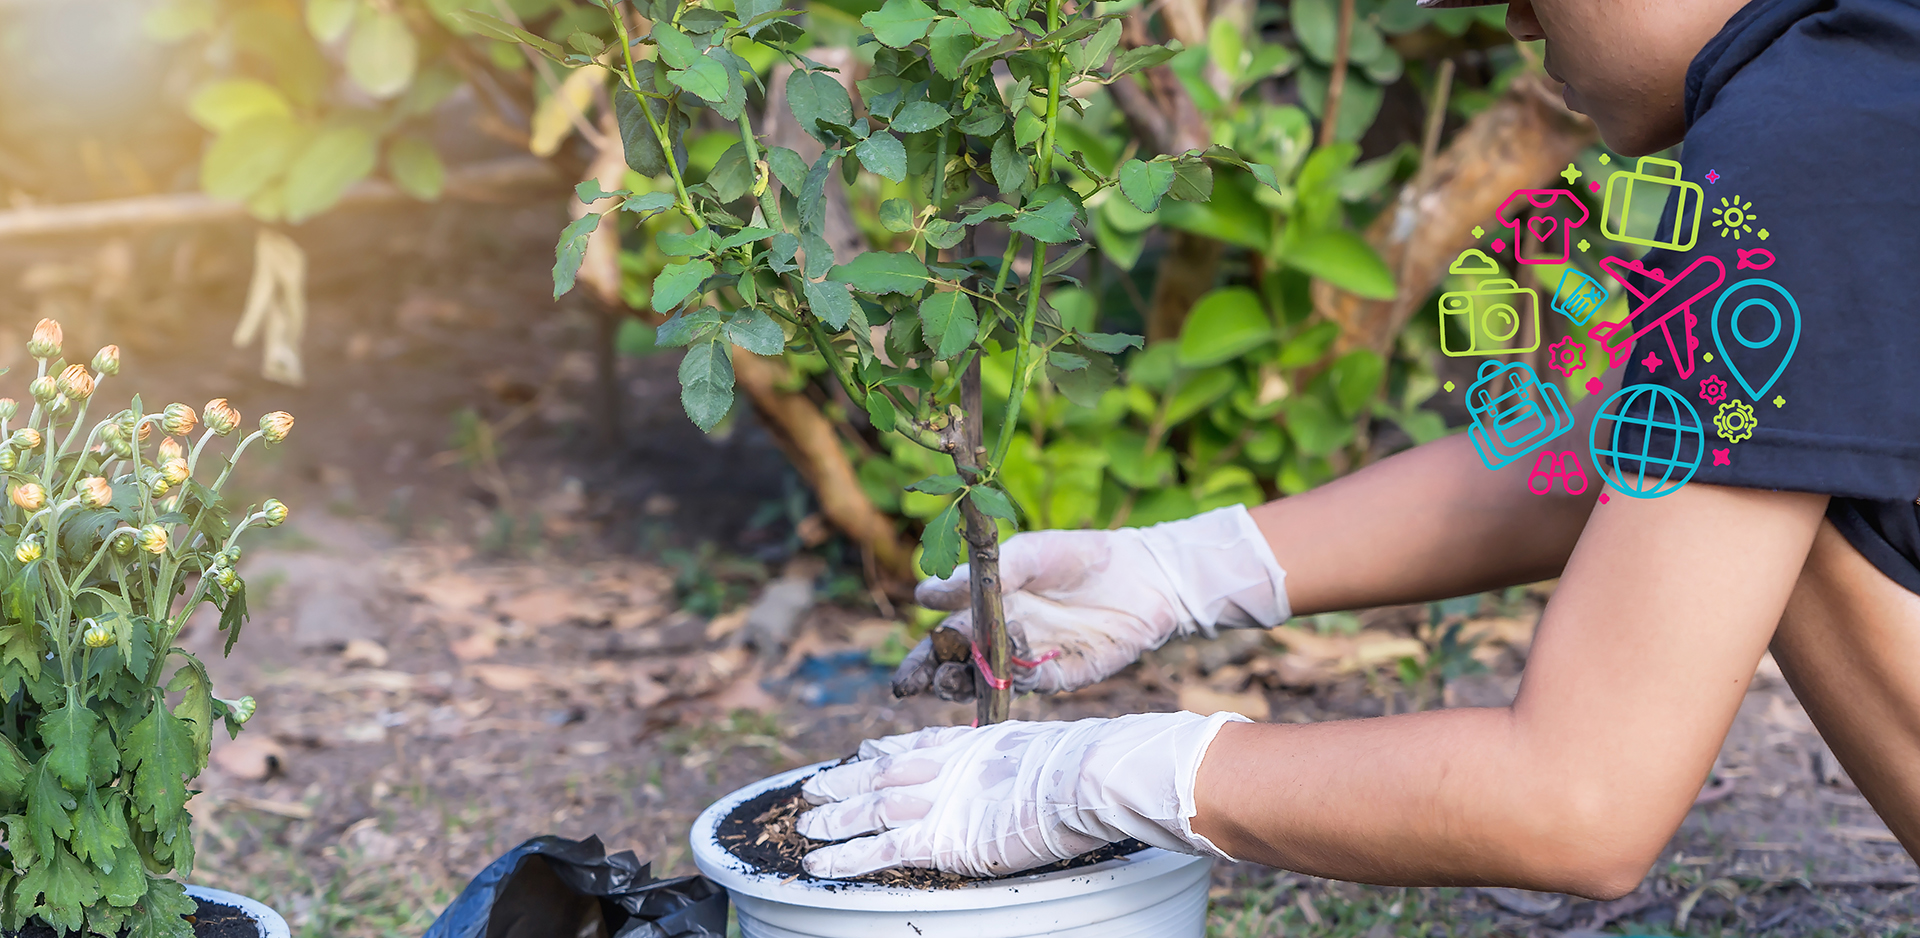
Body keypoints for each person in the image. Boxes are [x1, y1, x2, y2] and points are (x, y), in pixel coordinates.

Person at [794, 0, 1920, 898]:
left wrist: (1104, 775)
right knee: (1749, 439)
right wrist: (1181, 567)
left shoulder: (1811, 133)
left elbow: (1578, 798)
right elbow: (1659, 441)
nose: (1520, 28)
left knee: (1774, 483)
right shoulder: (1875, 67)